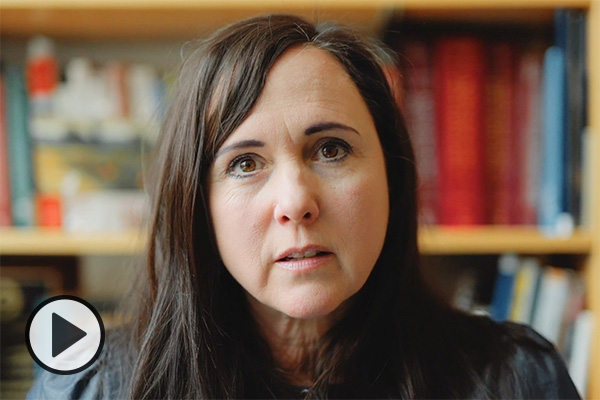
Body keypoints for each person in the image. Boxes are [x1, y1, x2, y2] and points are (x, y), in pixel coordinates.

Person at [28, 14, 581, 399]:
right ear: (196, 205)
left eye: (331, 149)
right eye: (245, 163)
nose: (295, 201)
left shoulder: (516, 379)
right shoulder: (90, 386)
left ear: (393, 173)